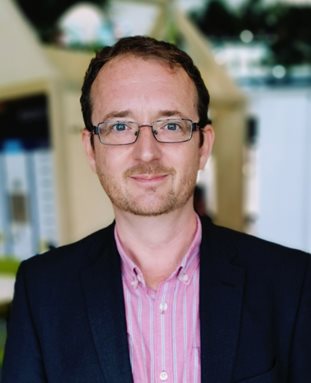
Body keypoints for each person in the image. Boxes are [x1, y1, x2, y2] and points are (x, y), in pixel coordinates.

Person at [2, 36, 311, 383]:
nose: (146, 152)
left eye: (171, 125)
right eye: (120, 126)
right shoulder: (43, 290)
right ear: (91, 149)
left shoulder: (291, 283)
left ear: (203, 145)